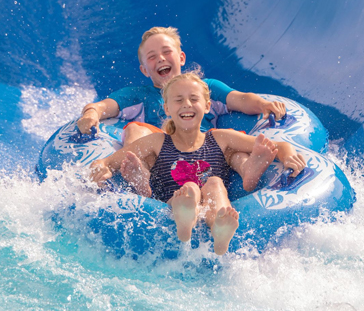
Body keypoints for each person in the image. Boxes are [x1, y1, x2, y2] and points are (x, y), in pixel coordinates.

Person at [90, 72, 306, 255]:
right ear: (166, 108)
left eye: (194, 99)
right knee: (190, 189)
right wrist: (101, 169)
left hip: (211, 201)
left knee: (214, 183)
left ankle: (220, 229)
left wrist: (288, 156)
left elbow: (279, 145)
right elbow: (108, 162)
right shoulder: (156, 142)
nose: (187, 104)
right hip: (171, 201)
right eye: (178, 100)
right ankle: (186, 219)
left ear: (207, 106)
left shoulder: (220, 138)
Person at [77, 26, 286, 190]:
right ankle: (140, 173)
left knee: (229, 140)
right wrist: (91, 113)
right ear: (144, 70)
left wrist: (263, 105)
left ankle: (248, 169)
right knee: (136, 130)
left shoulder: (205, 88)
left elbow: (239, 98)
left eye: (167, 52)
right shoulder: (138, 96)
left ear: (181, 58)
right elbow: (104, 106)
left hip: (208, 154)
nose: (160, 58)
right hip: (163, 159)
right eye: (151, 57)